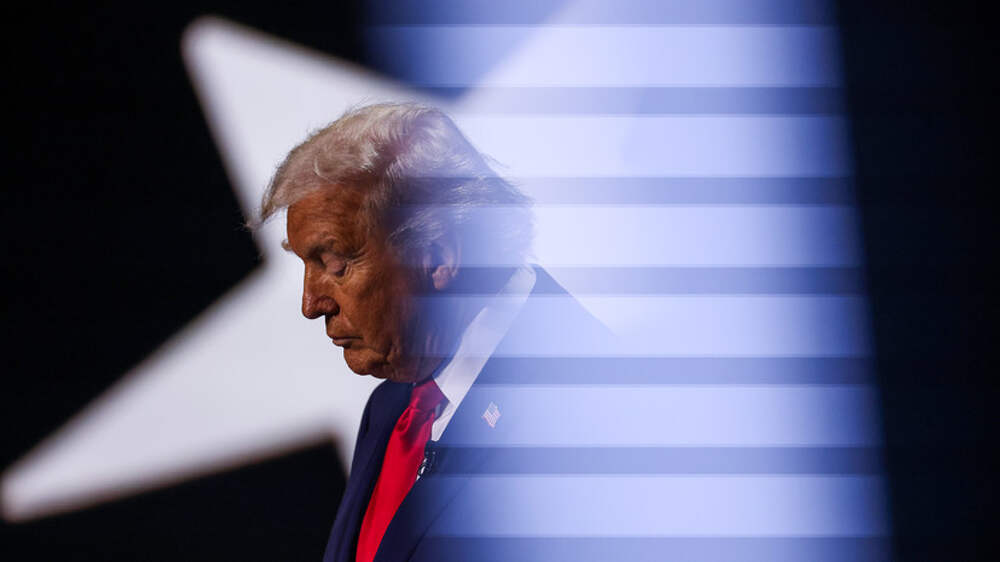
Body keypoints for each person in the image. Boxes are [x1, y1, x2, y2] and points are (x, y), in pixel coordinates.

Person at [257, 102, 616, 562]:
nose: (311, 305)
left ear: (439, 257)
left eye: (336, 264)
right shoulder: (391, 407)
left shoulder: (593, 408)